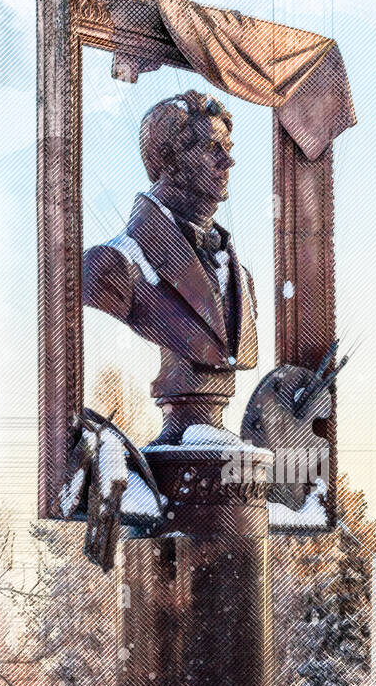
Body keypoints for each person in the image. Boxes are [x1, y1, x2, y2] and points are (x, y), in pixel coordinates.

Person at [83, 90, 258, 444]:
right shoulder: (114, 267)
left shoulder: (240, 279)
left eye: (228, 147)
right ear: (169, 160)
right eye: (212, 149)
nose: (228, 162)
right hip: (177, 444)